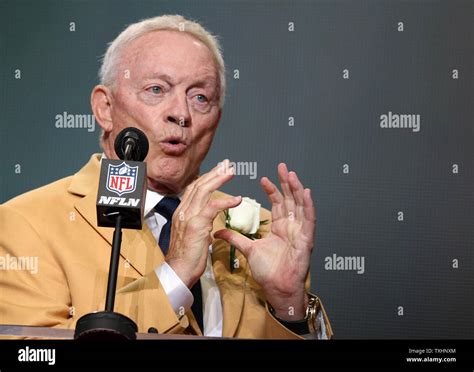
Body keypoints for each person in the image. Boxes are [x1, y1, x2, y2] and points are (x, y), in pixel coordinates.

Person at [0, 15, 333, 339]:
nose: (181, 113)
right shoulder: (25, 225)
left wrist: (289, 306)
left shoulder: (260, 234)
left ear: (216, 119)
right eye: (156, 89)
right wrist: (174, 277)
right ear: (104, 108)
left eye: (200, 97)